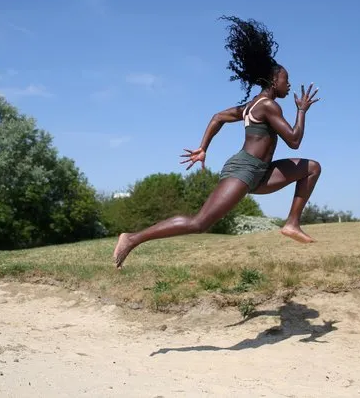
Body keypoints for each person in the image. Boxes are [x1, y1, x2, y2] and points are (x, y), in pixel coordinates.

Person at [113, 16, 322, 269]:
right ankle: (132, 239)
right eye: (284, 80)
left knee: (311, 168)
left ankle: (291, 223)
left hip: (260, 171)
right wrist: (301, 111)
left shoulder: (251, 105)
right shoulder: (268, 105)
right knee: (200, 223)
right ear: (272, 81)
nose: (288, 84)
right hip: (244, 170)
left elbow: (218, 117)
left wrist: (203, 148)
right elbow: (294, 140)